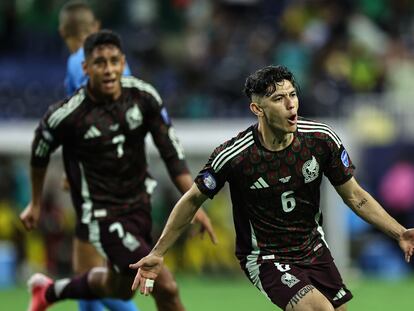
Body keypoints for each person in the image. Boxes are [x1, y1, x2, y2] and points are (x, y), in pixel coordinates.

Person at [130, 65, 414, 311]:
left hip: (313, 248)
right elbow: (192, 200)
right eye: (278, 98)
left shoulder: (320, 140)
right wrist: (157, 252)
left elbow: (355, 196)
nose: (291, 104)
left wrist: (399, 232)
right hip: (266, 255)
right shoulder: (235, 156)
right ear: (258, 109)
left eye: (292, 95)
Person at [20, 29, 217, 311]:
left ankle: (50, 291)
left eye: (114, 61)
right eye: (100, 62)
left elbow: (172, 155)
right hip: (102, 213)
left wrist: (194, 202)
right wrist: (36, 203)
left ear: (123, 63)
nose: (109, 69)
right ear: (86, 68)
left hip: (139, 206)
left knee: (120, 290)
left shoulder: (144, 97)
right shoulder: (67, 115)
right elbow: (39, 153)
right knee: (166, 286)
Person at [58, 2, 134, 310]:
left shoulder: (80, 61)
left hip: (100, 179)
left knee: (90, 276)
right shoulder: (118, 66)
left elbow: (86, 120)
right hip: (120, 175)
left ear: (63, 32)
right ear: (97, 24)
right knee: (93, 274)